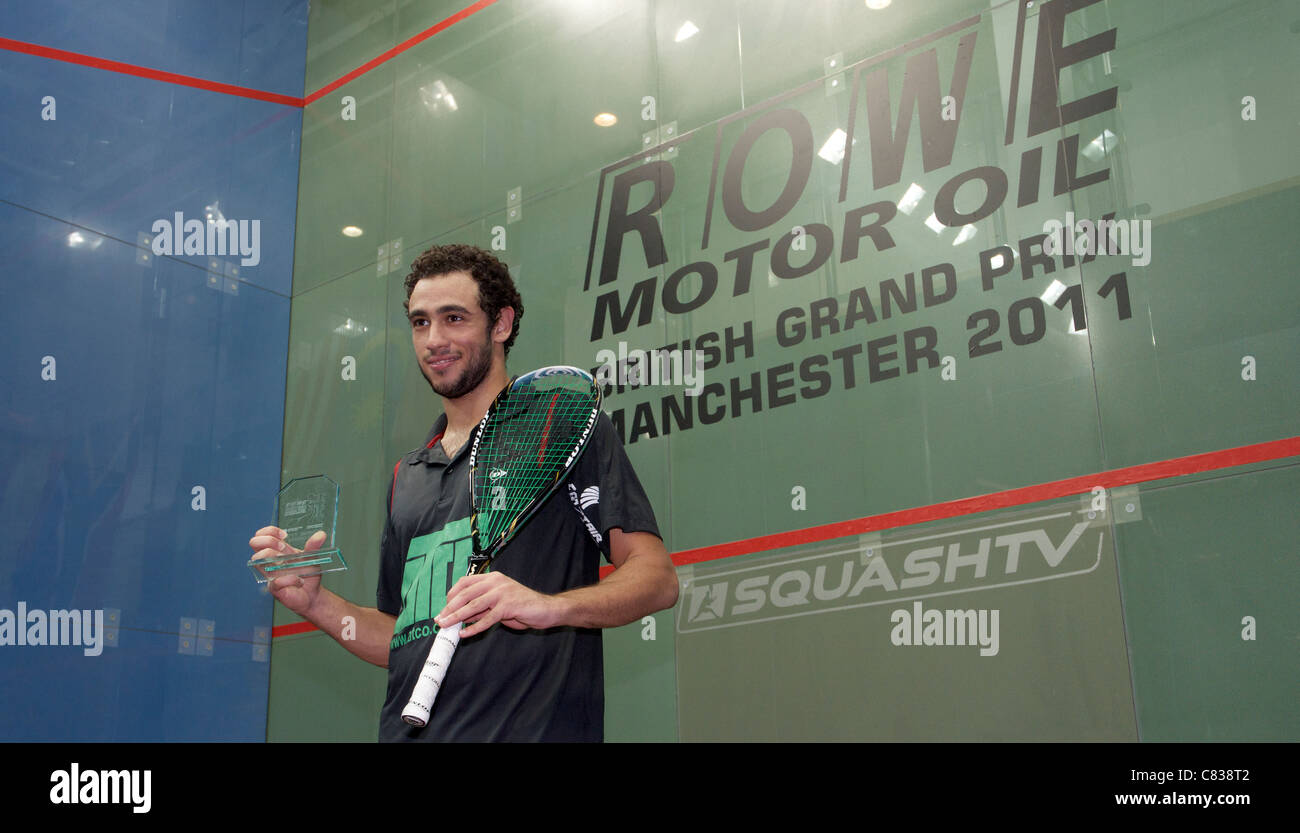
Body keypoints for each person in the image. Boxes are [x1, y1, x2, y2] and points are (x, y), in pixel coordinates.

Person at [248, 244, 678, 741]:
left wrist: (550, 607)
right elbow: (405, 637)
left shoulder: (559, 429)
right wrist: (317, 605)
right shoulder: (407, 474)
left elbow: (657, 579)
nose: (434, 339)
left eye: (454, 318)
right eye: (420, 322)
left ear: (501, 324)